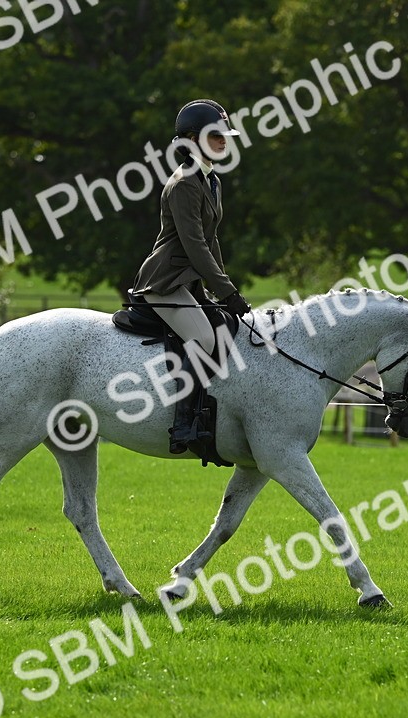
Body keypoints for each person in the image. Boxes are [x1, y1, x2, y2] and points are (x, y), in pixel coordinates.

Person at [129, 99, 252, 454]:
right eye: (215, 136)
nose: (223, 141)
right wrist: (227, 291)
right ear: (192, 140)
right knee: (202, 338)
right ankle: (183, 424)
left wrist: (224, 289)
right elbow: (194, 244)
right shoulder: (183, 184)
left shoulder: (210, 180)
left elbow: (212, 240)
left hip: (189, 282)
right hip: (165, 281)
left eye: (224, 135)